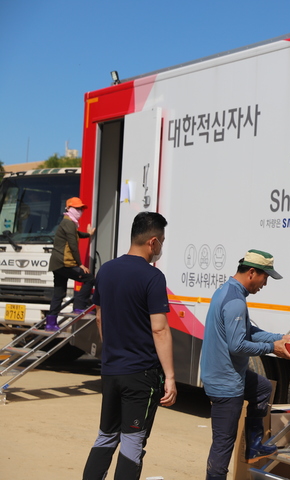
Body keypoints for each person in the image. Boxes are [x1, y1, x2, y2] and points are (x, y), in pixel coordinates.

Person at [82, 212, 176, 480]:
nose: (161, 248)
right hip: (140, 374)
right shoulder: (153, 277)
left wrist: (113, 353)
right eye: (163, 242)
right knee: (133, 443)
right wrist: (169, 377)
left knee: (106, 436)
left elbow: (100, 318)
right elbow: (159, 329)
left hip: (111, 370)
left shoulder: (106, 270)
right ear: (153, 242)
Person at [200, 249, 290, 480]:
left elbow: (249, 331)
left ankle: (254, 445)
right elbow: (238, 345)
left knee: (263, 388)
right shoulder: (235, 301)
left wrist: (278, 338)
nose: (265, 284)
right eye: (266, 277)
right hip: (225, 383)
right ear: (252, 272)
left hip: (225, 374)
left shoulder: (228, 290)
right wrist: (273, 349)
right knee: (222, 448)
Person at [46, 196, 96, 331]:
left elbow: (76, 234)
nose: (80, 211)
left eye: (81, 209)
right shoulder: (68, 223)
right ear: (68, 208)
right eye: (77, 208)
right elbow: (73, 244)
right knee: (89, 278)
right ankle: (79, 306)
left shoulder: (68, 223)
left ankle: (51, 323)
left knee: (59, 293)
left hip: (57, 264)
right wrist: (80, 264)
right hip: (64, 262)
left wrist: (88, 234)